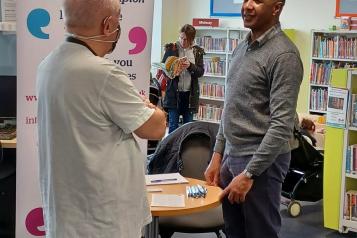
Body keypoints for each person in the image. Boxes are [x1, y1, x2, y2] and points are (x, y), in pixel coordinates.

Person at [36, 1, 166, 237]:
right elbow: (155, 128)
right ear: (109, 24)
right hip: (101, 218)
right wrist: (152, 108)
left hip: (69, 213)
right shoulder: (102, 73)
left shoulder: (48, 65)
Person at [204, 0, 303, 237]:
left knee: (260, 233)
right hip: (232, 156)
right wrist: (218, 155)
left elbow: (281, 125)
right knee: (234, 231)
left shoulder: (284, 55)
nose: (247, 5)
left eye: (258, 1)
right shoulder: (242, 48)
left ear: (276, 8)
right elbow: (230, 106)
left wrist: (250, 174)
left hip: (261, 164)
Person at [161, 24, 205, 133]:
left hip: (189, 96)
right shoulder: (171, 48)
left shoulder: (197, 51)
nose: (183, 41)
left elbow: (200, 72)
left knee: (187, 128)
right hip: (174, 95)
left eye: (186, 39)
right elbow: (163, 70)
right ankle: (172, 150)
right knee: (173, 127)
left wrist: (190, 66)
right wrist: (173, 72)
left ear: (192, 39)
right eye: (181, 38)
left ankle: (184, 150)